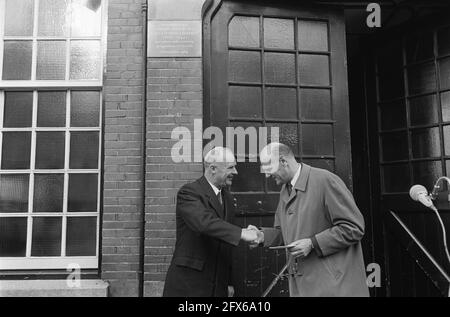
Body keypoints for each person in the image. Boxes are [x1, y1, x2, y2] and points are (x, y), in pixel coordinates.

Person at [249, 142, 369, 297]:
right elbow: (285, 234)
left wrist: (312, 243)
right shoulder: (285, 190)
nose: (266, 175)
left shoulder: (325, 180)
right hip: (303, 287)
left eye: (268, 169)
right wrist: (262, 236)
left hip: (334, 287)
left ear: (283, 161)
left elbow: (354, 227)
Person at [163, 146, 258, 297]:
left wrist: (229, 282)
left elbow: (226, 244)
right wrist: (241, 233)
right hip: (189, 284)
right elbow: (203, 223)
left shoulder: (227, 197)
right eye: (231, 167)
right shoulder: (189, 192)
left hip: (218, 285)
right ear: (213, 168)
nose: (235, 172)